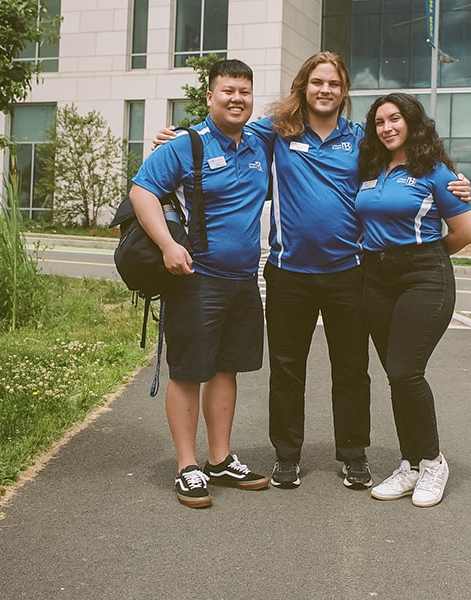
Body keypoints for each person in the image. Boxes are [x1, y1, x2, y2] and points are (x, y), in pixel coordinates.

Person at [155, 52, 471, 492]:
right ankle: (287, 456)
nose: (326, 90)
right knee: (287, 368)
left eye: (335, 84)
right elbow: (224, 127)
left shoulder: (363, 140)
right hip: (288, 272)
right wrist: (175, 138)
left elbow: (412, 157)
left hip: (349, 272)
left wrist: (455, 181)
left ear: (344, 92)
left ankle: (353, 455)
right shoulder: (275, 132)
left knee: (350, 368)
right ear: (304, 87)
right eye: (317, 82)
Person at [128, 59, 271, 508]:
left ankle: (220, 458)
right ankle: (187, 466)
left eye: (244, 92)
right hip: (195, 279)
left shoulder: (258, 143)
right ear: (209, 97)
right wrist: (169, 245)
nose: (237, 99)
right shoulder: (187, 144)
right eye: (227, 90)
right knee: (190, 372)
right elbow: (142, 190)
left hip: (244, 280)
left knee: (226, 370)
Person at [355, 93, 471, 508]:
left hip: (423, 275)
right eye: (379, 121)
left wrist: (422, 257)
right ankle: (409, 465)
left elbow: (464, 233)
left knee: (407, 371)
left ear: (412, 123)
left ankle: (434, 462)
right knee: (395, 373)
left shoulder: (436, 172)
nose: (387, 127)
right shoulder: (371, 169)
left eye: (395, 119)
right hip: (375, 276)